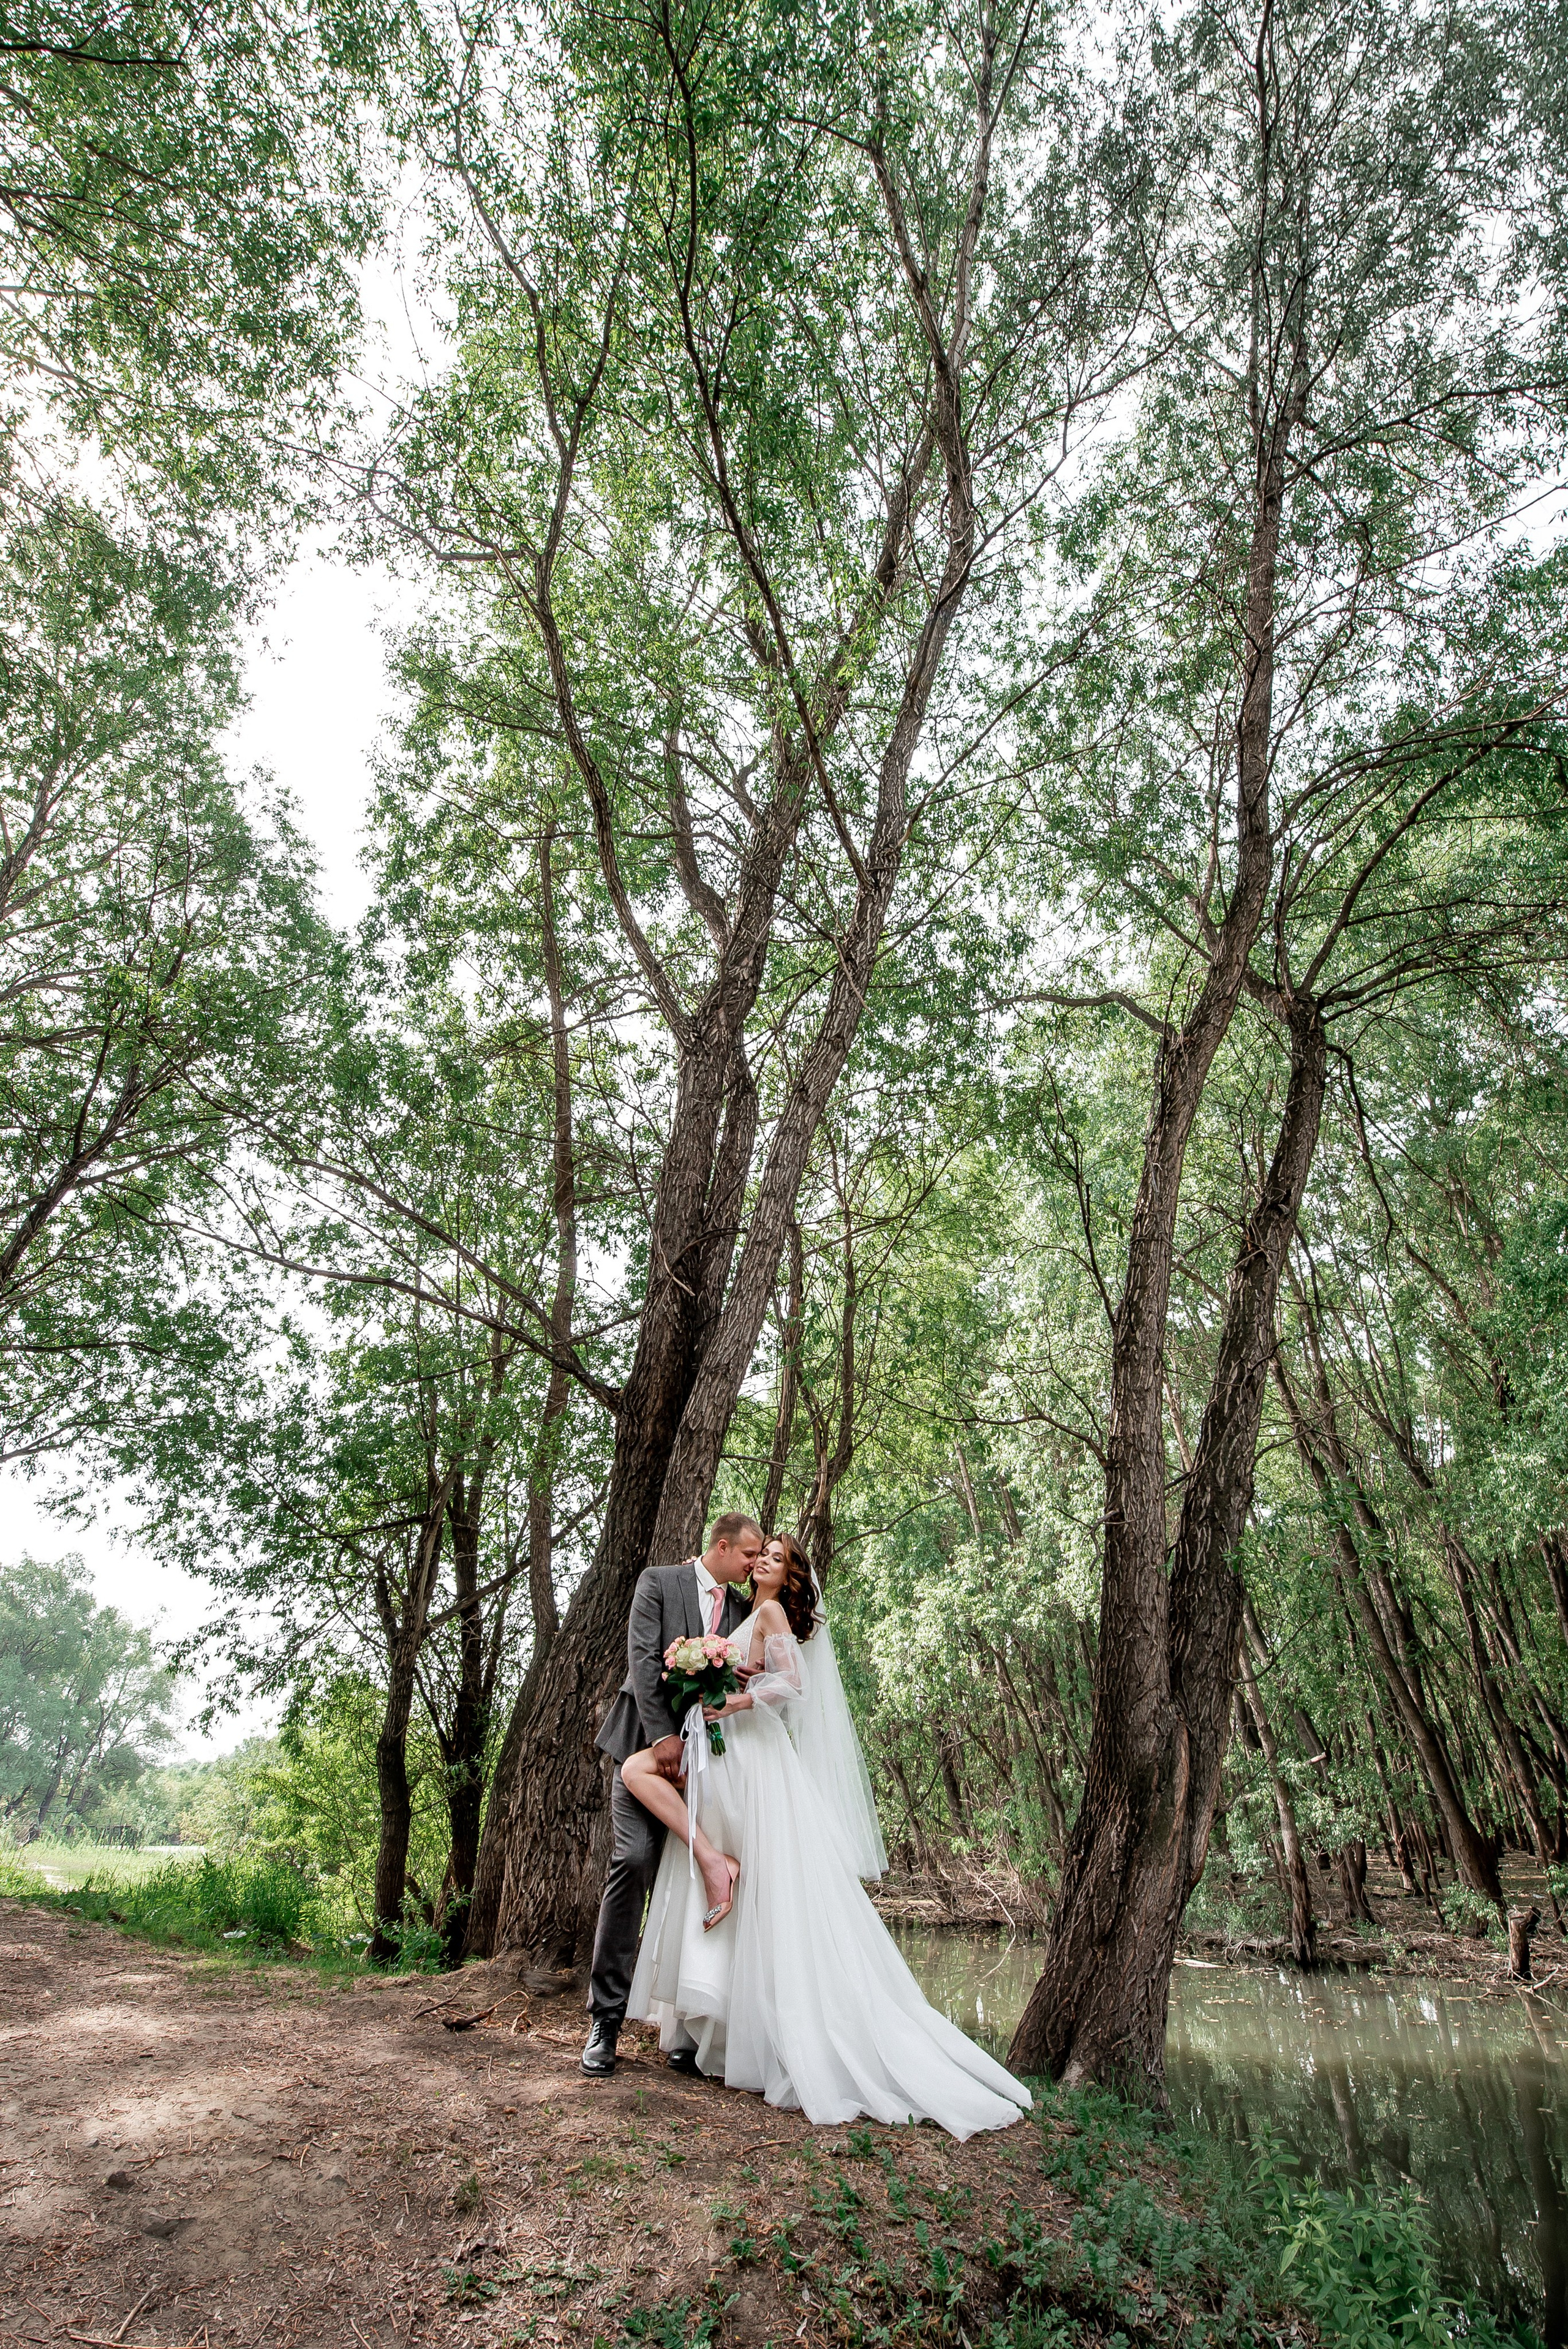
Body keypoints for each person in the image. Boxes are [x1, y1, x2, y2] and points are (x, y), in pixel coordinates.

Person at [618, 1531, 1032, 2139]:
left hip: (754, 1758)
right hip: (731, 1761)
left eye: (776, 1558)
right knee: (741, 1888)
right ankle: (721, 2031)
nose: (763, 1561)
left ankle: (745, 2032)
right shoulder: (749, 1609)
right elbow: (762, 1667)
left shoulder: (768, 1609)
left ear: (789, 1579)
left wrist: (733, 1702)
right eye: (761, 1554)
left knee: (763, 1895)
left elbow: (794, 1685)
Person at [581, 1511, 763, 2079]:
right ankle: (605, 2020)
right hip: (644, 1748)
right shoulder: (658, 1581)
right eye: (749, 1555)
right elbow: (641, 1659)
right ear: (722, 1545)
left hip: (709, 1766)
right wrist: (663, 1739)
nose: (754, 1565)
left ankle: (688, 2029)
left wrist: (746, 1684)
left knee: (689, 1885)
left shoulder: (741, 1612)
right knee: (633, 1860)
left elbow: (741, 1679)